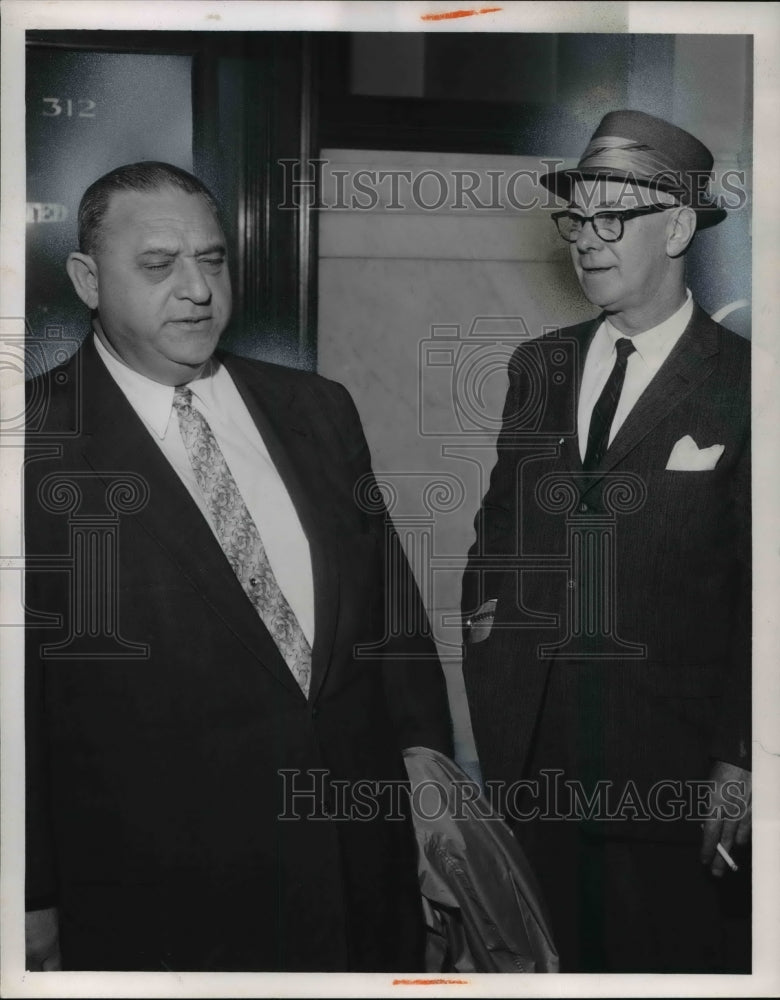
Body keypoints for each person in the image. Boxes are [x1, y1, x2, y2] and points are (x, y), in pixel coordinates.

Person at [24, 161, 453, 972]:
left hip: (359, 875)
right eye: (158, 264)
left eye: (213, 260)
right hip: (158, 901)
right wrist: (27, 895)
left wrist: (431, 802)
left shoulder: (317, 409)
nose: (196, 289)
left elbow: (392, 624)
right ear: (86, 278)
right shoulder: (30, 446)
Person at [461, 110, 751, 973]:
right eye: (576, 218)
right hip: (533, 773)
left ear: (678, 226)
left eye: (612, 218)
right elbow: (498, 539)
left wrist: (738, 764)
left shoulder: (748, 385)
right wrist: (493, 659)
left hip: (674, 787)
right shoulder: (538, 366)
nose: (587, 240)